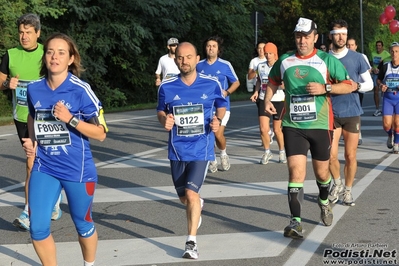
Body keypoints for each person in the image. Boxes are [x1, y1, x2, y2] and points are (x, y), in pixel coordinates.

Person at [22, 32, 108, 266]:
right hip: (45, 166)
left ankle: (88, 264)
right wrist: (31, 139)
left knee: (83, 224)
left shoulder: (81, 89)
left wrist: (71, 119)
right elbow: (32, 116)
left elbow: (101, 133)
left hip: (77, 169)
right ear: (45, 56)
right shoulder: (34, 88)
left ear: (71, 59)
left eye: (61, 52)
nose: (54, 57)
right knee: (37, 227)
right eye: (50, 51)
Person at [264, 17, 354, 239]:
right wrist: (267, 99)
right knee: (295, 171)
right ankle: (295, 222)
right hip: (293, 125)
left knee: (322, 174)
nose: (302, 41)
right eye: (298, 36)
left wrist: (326, 87)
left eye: (306, 36)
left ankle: (324, 201)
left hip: (320, 125)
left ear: (315, 37)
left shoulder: (326, 60)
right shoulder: (285, 60)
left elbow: (349, 85)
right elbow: (273, 80)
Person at [157, 42, 227, 259]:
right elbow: (161, 111)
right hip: (177, 150)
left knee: (191, 193)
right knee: (184, 198)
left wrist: (218, 120)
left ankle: (191, 243)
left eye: (188, 57)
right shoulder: (166, 87)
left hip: (201, 148)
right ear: (175, 59)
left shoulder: (211, 83)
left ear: (197, 58)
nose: (184, 61)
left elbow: (221, 106)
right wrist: (164, 121)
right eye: (180, 57)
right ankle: (197, 205)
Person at [0, 13, 62, 231]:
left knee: (32, 163)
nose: (24, 36)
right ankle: (53, 199)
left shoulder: (48, 53)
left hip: (46, 117)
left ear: (38, 33)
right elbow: (0, 82)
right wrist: (8, 83)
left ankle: (28, 211)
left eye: (28, 32)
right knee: (37, 162)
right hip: (21, 117)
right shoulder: (10, 54)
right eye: (21, 32)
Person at [328, 19, 373, 207]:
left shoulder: (357, 57)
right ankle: (337, 183)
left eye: (344, 34)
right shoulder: (323, 57)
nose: (341, 38)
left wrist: (358, 86)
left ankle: (348, 190)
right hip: (329, 113)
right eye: (338, 34)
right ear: (331, 35)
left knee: (350, 156)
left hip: (352, 112)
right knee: (329, 155)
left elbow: (369, 83)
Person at [196, 36, 240, 173]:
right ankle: (212, 159)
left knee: (217, 133)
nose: (210, 48)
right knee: (207, 134)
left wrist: (226, 92)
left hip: (222, 106)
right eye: (208, 46)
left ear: (218, 49)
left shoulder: (225, 65)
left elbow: (236, 82)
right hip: (205, 106)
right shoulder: (199, 65)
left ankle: (223, 154)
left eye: (213, 46)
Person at [250, 42, 286, 164]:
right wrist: (256, 92)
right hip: (263, 99)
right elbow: (259, 80)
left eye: (270, 53)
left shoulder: (281, 66)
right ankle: (267, 152)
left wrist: (282, 85)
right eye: (266, 53)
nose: (268, 55)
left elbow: (286, 84)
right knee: (263, 128)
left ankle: (281, 152)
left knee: (277, 129)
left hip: (279, 99)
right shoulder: (260, 66)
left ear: (275, 54)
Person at [347, 37, 372, 145]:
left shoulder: (361, 57)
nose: (350, 47)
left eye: (352, 45)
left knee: (356, 112)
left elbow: (368, 70)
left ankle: (358, 133)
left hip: (358, 89)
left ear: (356, 46)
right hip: (345, 88)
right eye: (348, 45)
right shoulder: (342, 56)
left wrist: (359, 81)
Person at [377, 42, 399, 154]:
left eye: (397, 51)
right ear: (390, 52)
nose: (394, 54)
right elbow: (378, 80)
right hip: (388, 99)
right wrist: (381, 85)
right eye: (392, 51)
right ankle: (390, 135)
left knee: (398, 123)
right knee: (386, 124)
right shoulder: (386, 66)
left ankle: (396, 144)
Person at [370, 40, 391, 116]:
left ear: (382, 46)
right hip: (376, 74)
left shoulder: (387, 54)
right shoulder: (373, 53)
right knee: (375, 91)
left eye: (379, 45)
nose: (378, 47)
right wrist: (373, 69)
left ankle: (385, 107)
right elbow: (371, 64)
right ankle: (377, 109)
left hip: (384, 74)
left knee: (384, 91)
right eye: (377, 45)